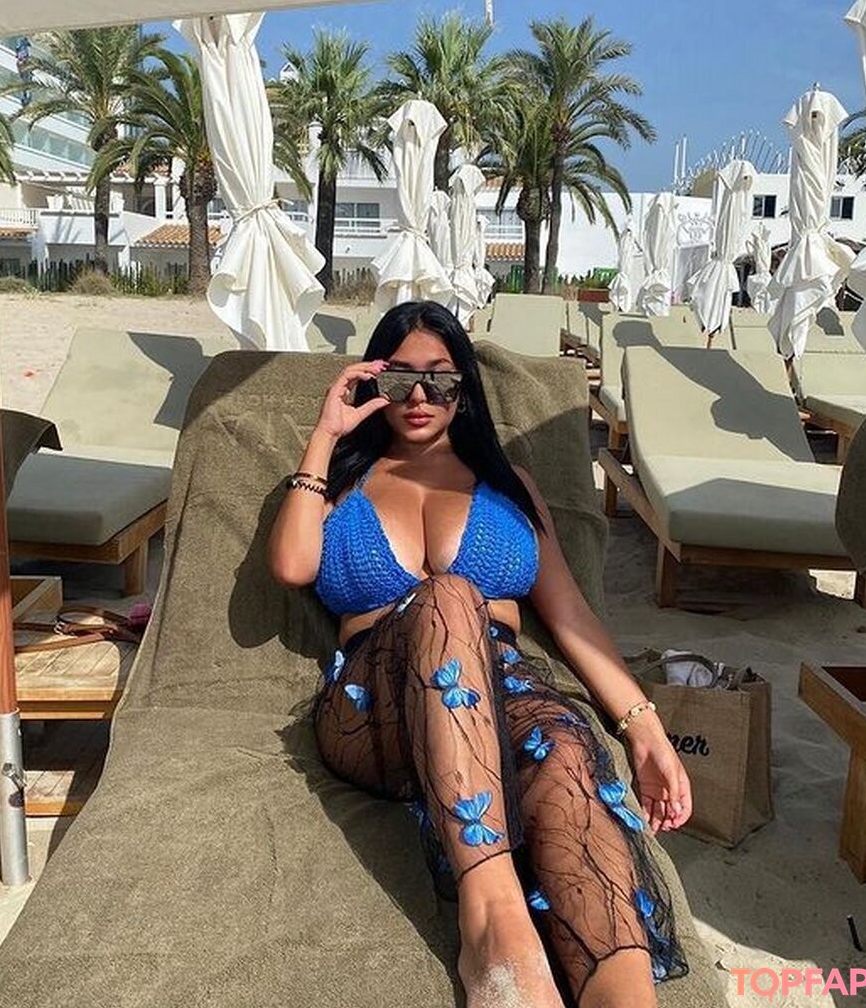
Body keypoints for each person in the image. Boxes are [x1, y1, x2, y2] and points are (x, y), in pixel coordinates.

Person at [268, 301, 692, 1008]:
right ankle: (495, 930)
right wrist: (325, 434)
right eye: (399, 378)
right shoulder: (342, 484)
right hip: (377, 711)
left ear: (464, 387)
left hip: (504, 693)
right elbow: (290, 564)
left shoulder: (507, 486)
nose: (420, 395)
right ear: (374, 382)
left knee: (563, 754)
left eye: (440, 379)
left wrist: (643, 727)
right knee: (446, 597)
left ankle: (622, 993)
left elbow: (571, 616)